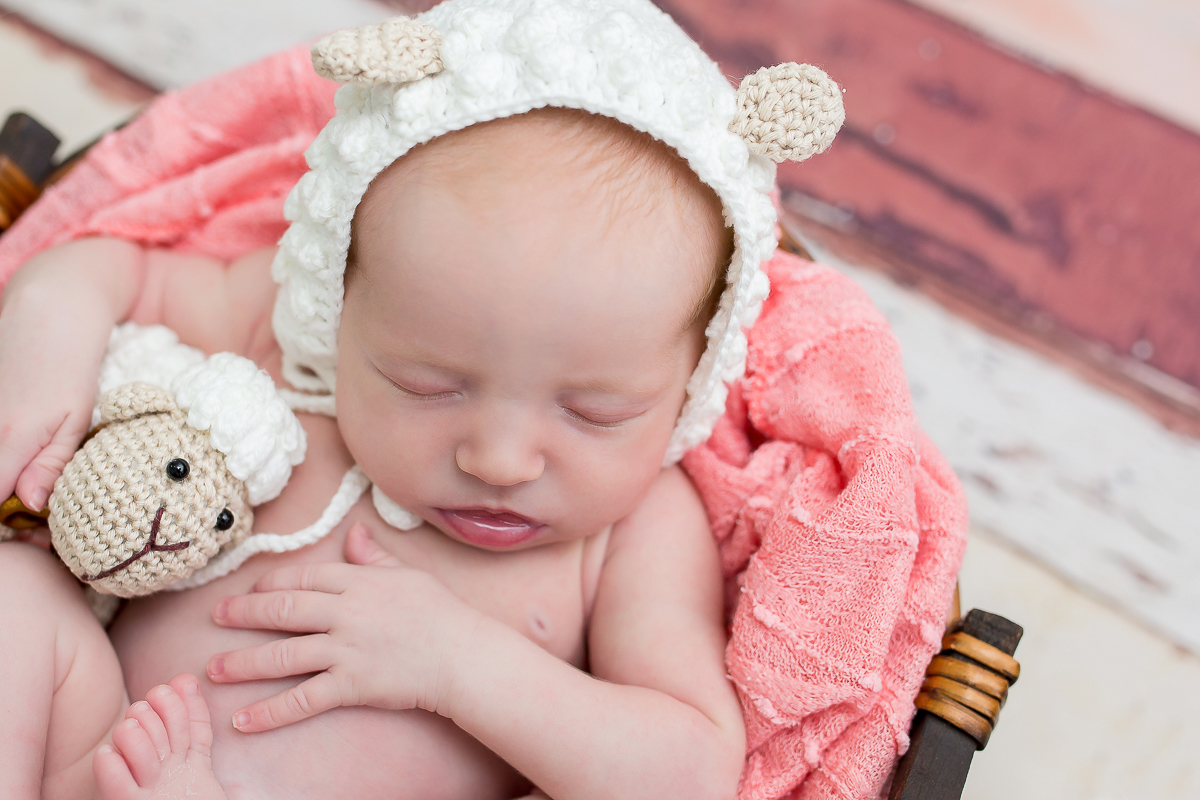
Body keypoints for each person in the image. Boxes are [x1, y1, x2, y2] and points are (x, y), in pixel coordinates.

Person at [0, 1, 842, 798]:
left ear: (693, 375)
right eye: (425, 385)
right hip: (85, 759)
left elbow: (687, 770)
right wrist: (46, 348)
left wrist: (457, 663)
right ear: (342, 296)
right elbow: (110, 266)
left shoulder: (639, 528)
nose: (499, 461)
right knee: (15, 592)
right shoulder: (293, 340)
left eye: (594, 413)